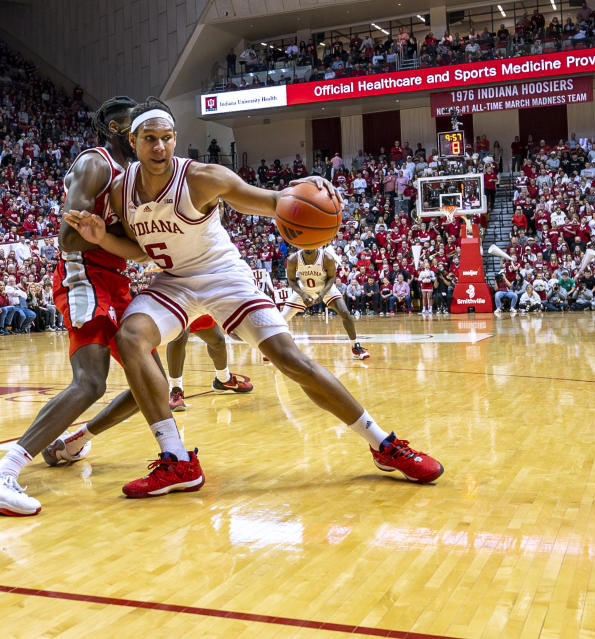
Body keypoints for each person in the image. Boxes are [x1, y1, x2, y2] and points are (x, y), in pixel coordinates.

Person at [66, 97, 443, 499]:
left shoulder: (203, 177)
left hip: (222, 276)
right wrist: (102, 237)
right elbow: (141, 251)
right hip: (173, 281)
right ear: (134, 141)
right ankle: (177, 461)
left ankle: (382, 444)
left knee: (291, 360)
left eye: (167, 138)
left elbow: (272, 201)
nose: (159, 147)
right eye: (149, 139)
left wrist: (312, 186)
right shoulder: (122, 191)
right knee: (131, 337)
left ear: (176, 139)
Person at [0, 96, 151, 516]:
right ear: (118, 130)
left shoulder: (135, 176)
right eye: (135, 124)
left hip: (116, 277)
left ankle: (72, 441)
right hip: (84, 274)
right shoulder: (96, 164)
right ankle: (0, 473)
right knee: (90, 382)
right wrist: (108, 233)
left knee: (150, 384)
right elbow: (68, 240)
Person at [281, 245, 369, 359]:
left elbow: (332, 277)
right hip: (304, 290)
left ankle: (355, 346)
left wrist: (322, 293)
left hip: (325, 288)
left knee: (345, 313)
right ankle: (276, 347)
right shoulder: (293, 259)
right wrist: (302, 294)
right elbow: (291, 280)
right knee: (281, 318)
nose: (308, 245)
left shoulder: (327, 257)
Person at [165, 315, 253, 412]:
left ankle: (223, 379)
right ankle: (175, 389)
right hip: (180, 301)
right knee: (179, 336)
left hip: (200, 303)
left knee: (217, 341)